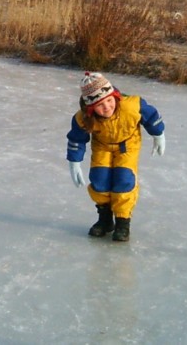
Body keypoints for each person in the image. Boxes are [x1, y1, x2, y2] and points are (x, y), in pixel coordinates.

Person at [66, 72, 165, 242]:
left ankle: (122, 222)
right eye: (100, 105)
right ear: (91, 109)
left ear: (115, 96)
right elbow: (77, 138)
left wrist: (158, 134)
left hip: (127, 146)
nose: (107, 107)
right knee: (99, 180)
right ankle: (105, 220)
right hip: (102, 147)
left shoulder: (131, 105)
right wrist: (74, 161)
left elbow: (151, 116)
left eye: (110, 100)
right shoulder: (82, 118)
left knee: (124, 180)